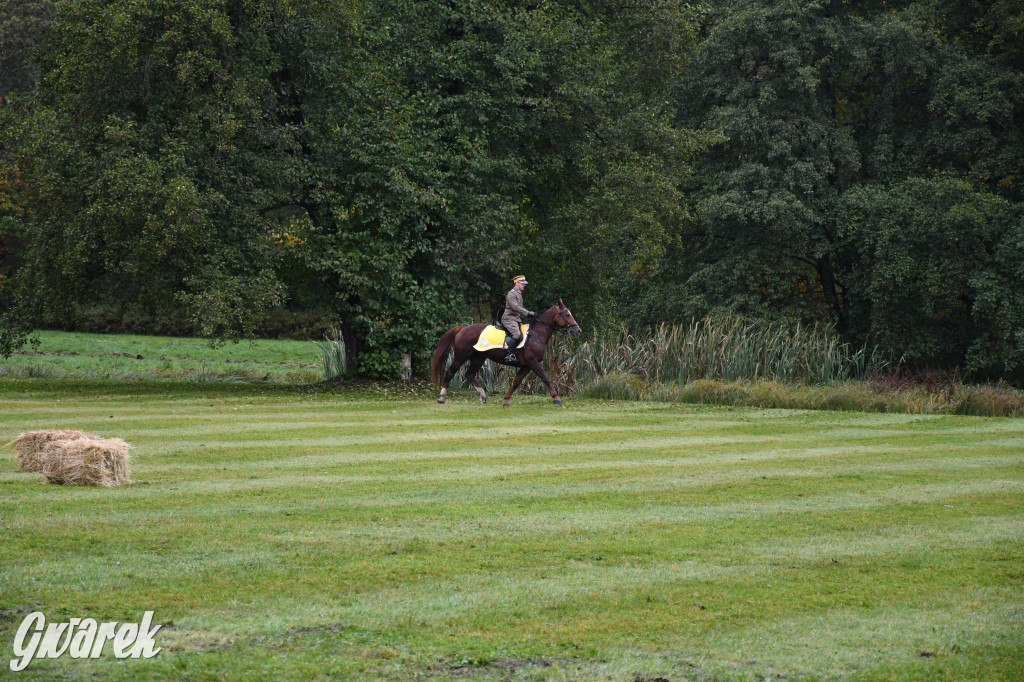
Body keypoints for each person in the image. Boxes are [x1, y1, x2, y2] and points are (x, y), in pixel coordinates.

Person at [501, 275, 535, 363]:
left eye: (524, 284)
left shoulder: (519, 294)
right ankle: (509, 355)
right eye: (523, 283)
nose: (524, 285)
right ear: (517, 283)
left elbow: (520, 308)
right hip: (508, 318)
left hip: (516, 319)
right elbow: (515, 307)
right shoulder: (511, 294)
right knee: (516, 334)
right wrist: (527, 313)